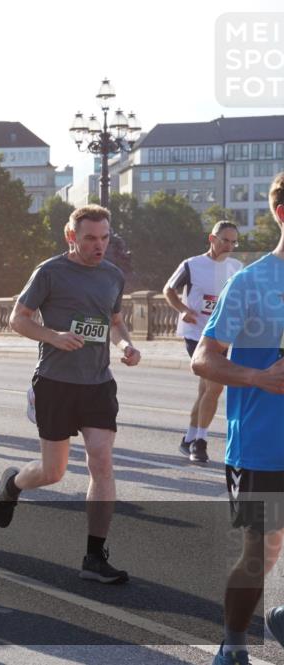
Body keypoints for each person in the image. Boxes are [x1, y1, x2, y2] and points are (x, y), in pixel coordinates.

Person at [0, 204, 141, 584]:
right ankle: (13, 484)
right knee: (53, 472)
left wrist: (125, 345)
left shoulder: (112, 275)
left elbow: (115, 322)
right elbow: (17, 318)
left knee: (101, 461)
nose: (99, 245)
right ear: (71, 236)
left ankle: (94, 557)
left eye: (104, 238)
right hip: (55, 383)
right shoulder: (50, 272)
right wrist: (53, 336)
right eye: (90, 238)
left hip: (98, 383)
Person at [193, 172, 284, 665]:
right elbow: (204, 359)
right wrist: (258, 377)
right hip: (263, 446)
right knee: (261, 552)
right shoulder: (250, 283)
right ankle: (232, 644)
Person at [163, 220, 243, 464]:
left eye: (234, 242)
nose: (229, 246)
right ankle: (200, 442)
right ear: (212, 239)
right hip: (196, 335)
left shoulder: (237, 267)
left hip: (223, 336)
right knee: (215, 387)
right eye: (225, 240)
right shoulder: (191, 265)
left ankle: (188, 438)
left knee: (206, 390)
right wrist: (183, 309)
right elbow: (168, 290)